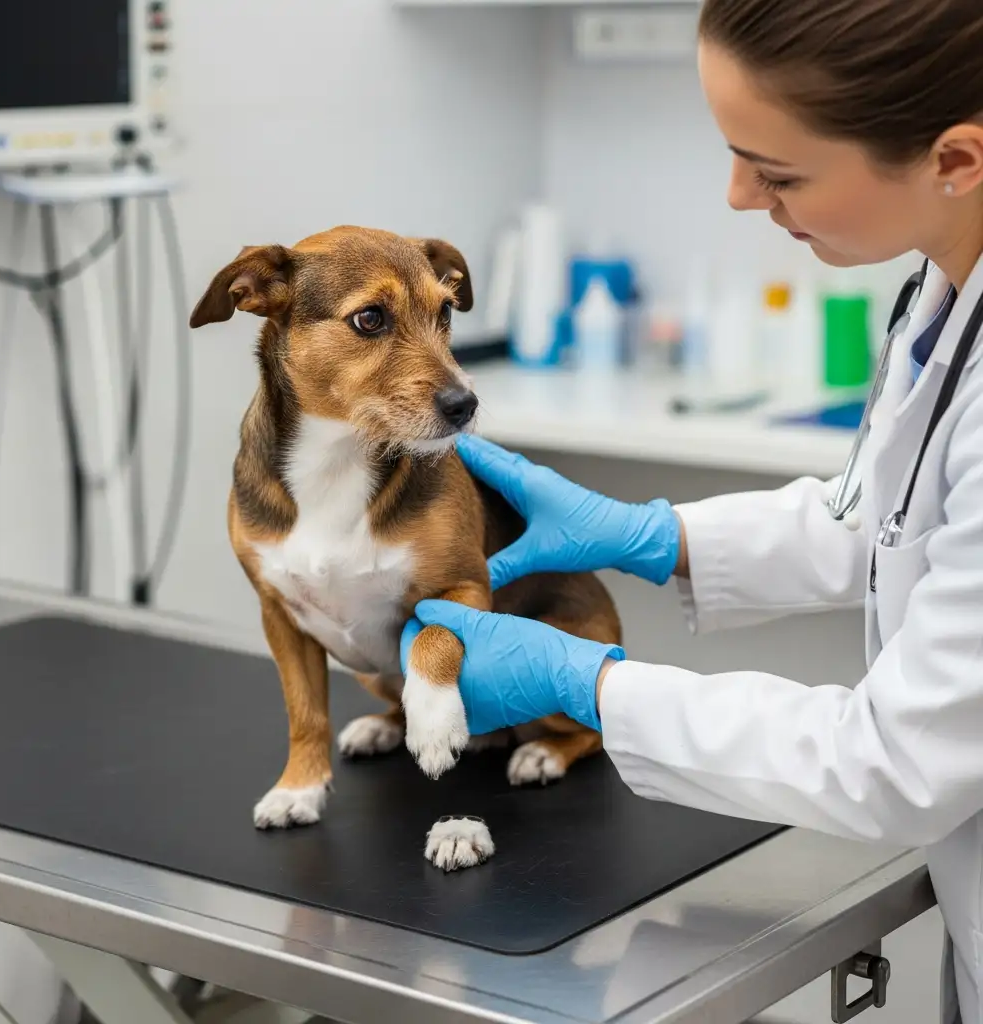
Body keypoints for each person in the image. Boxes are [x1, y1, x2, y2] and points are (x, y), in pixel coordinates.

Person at [401, 0, 983, 1019]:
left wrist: (592, 685)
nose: (737, 194)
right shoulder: (940, 292)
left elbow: (895, 763)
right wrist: (657, 534)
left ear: (957, 158)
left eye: (779, 171)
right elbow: (882, 514)